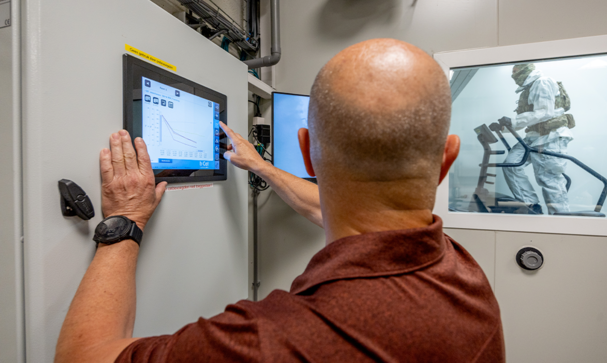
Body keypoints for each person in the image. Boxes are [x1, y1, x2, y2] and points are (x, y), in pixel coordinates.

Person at [55, 39, 505, 363]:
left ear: (307, 150)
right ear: (448, 158)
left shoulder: (273, 340)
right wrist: (264, 168)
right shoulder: (465, 280)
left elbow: (83, 356)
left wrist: (126, 221)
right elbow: (338, 208)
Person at [501, 63, 574, 214]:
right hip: (534, 136)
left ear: (525, 70)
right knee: (511, 164)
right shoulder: (528, 89)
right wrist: (507, 126)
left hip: (550, 136)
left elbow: (544, 112)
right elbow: (531, 118)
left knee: (549, 178)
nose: (513, 75)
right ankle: (531, 206)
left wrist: (514, 122)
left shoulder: (542, 82)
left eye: (516, 71)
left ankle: (561, 220)